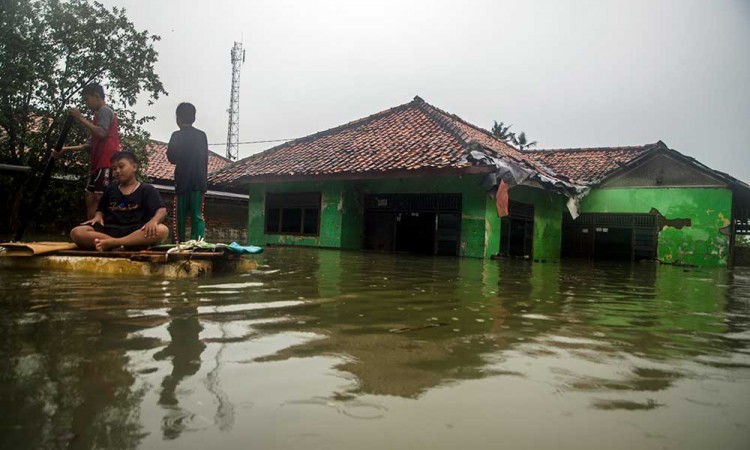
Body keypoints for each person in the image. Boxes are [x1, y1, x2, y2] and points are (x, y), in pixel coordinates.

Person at [70, 151, 169, 251]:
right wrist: (98, 216)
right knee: (77, 232)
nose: (117, 171)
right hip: (110, 229)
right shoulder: (110, 189)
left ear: (134, 167)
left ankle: (114, 243)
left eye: (121, 167)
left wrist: (153, 221)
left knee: (162, 230)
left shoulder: (147, 189)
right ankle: (122, 244)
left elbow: (161, 210)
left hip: (136, 230)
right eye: (114, 168)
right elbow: (101, 210)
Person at [53, 83, 120, 219]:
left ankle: (102, 228)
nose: (86, 103)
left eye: (87, 99)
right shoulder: (97, 117)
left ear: (96, 96)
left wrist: (80, 118)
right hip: (96, 164)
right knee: (89, 195)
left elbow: (102, 133)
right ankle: (90, 227)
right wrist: (65, 149)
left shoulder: (105, 111)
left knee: (100, 196)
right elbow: (89, 145)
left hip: (106, 162)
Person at [166, 102, 208, 243]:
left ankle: (178, 245)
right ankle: (197, 244)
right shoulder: (202, 136)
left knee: (180, 216)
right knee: (197, 215)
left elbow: (171, 157)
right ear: (194, 118)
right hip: (198, 181)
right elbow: (204, 159)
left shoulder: (176, 136)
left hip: (182, 181)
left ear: (178, 118)